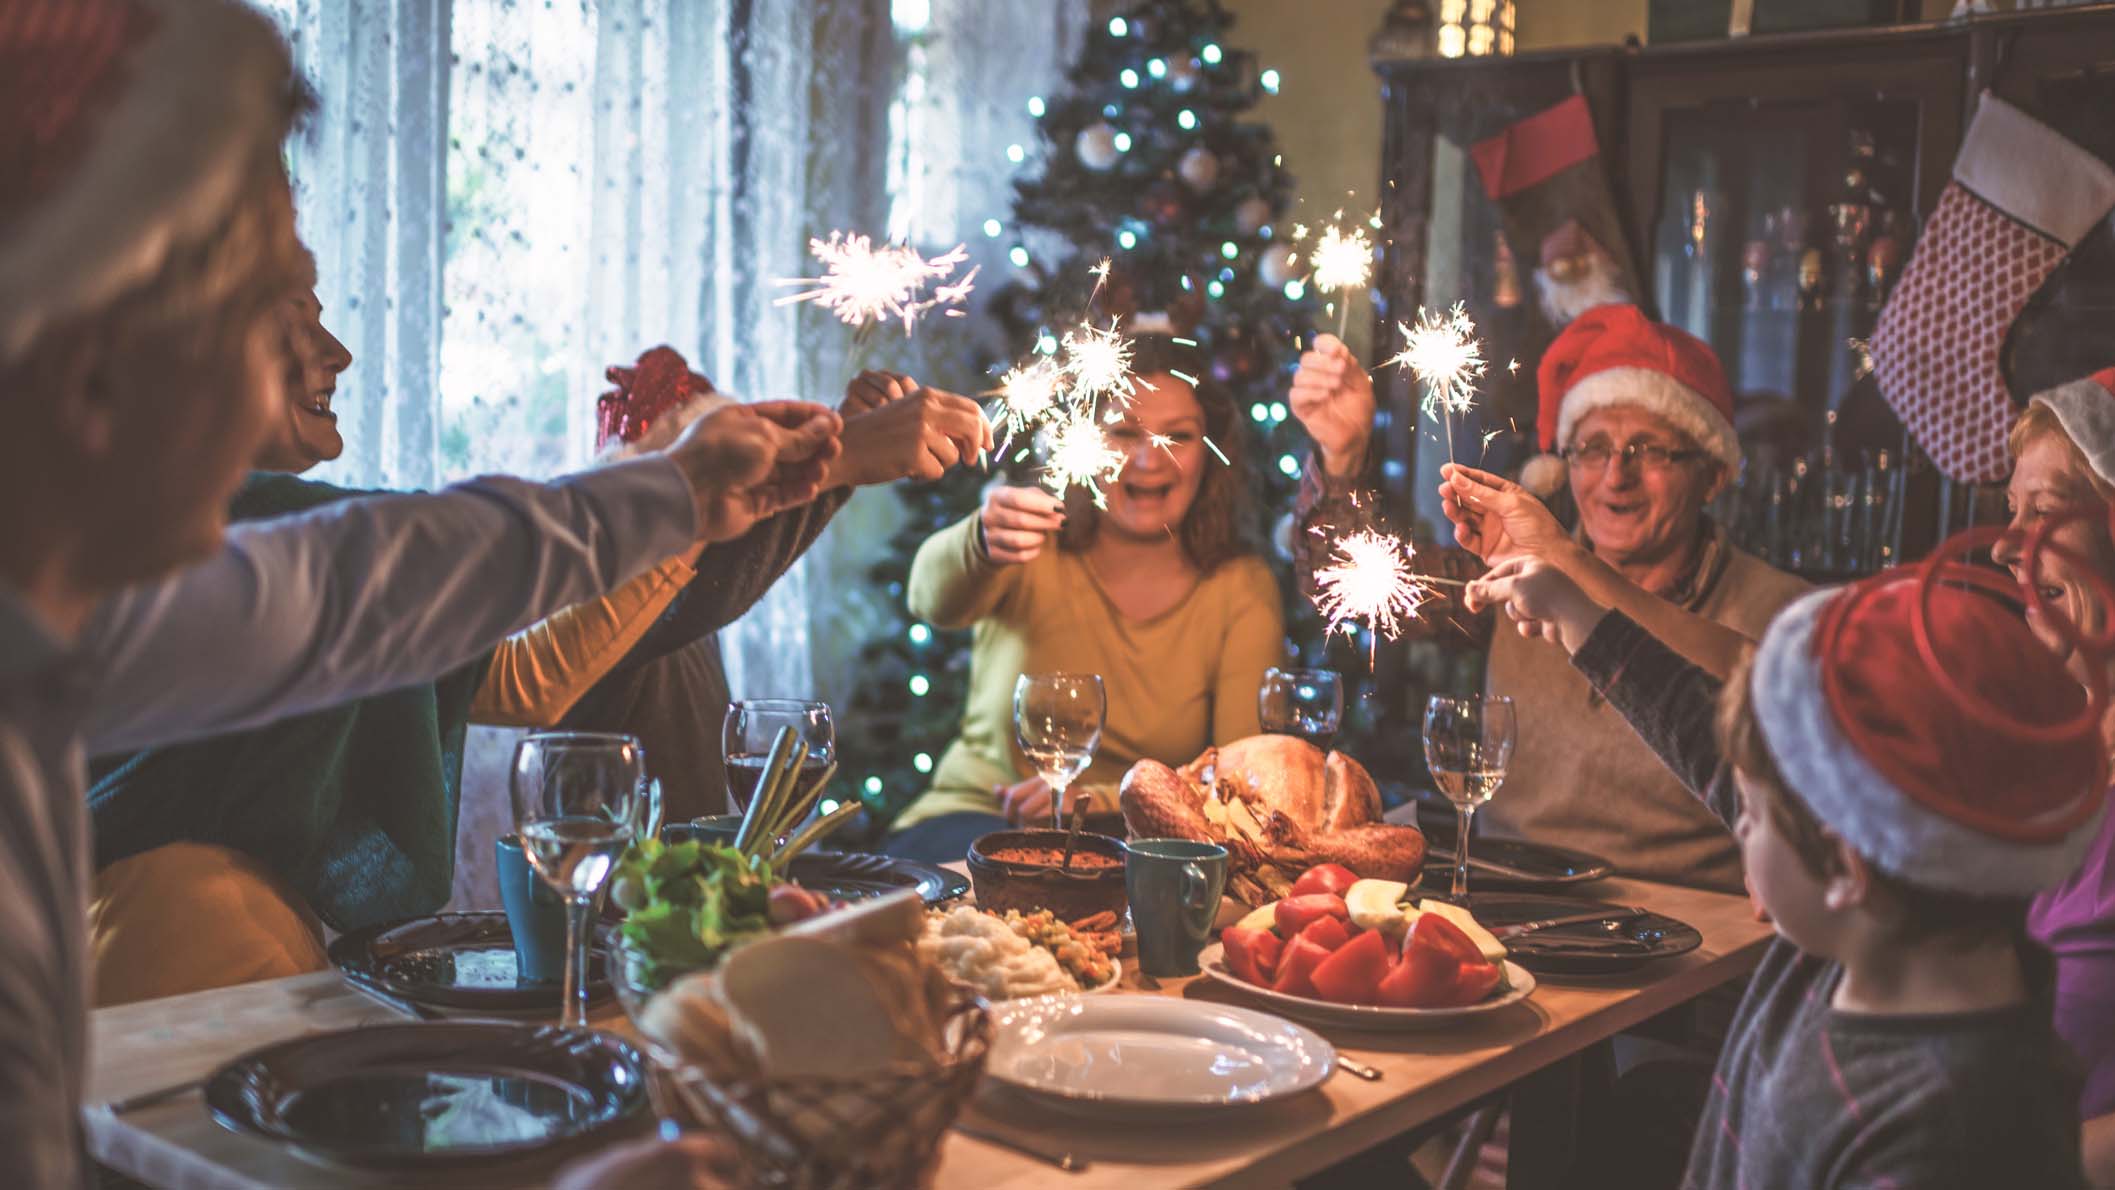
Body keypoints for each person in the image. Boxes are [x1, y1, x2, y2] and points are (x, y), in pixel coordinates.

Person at [0, 3, 839, 1182]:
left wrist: (681, 487)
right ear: (99, 336)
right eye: (265, 308)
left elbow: (364, 583)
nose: (308, 361)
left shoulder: (76, 625)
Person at [84, 292, 987, 1004]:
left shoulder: (215, 522)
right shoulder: (229, 527)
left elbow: (522, 663)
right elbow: (519, 641)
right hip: (178, 966)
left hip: (234, 947)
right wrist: (815, 466)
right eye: (294, 308)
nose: (339, 351)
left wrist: (788, 472)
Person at [1462, 532, 2100, 1188]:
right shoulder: (1869, 934)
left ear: (1844, 865)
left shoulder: (1943, 1138)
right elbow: (1708, 736)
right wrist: (1576, 617)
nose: (1735, 820)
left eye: (1751, 817)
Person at [1290, 304, 1807, 893]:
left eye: (1652, 451)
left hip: (1698, 938)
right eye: (1591, 448)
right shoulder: (1515, 566)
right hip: (1515, 908)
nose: (1616, 476)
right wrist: (1343, 454)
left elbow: (1800, 753)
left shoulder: (1787, 617)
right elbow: (1344, 585)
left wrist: (1568, 565)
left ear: (1713, 474)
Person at [885, 335, 1284, 862]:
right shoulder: (1032, 539)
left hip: (1131, 841)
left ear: (1210, 454)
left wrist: (1099, 799)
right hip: (973, 822)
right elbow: (928, 599)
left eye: (1178, 436)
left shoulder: (1239, 586)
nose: (1149, 458)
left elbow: (1241, 775)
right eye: (1123, 432)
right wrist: (981, 540)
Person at [561, 365, 985, 823]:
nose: (750, 508)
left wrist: (849, 432)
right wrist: (843, 453)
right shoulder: (611, 594)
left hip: (679, 881)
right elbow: (709, 585)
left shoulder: (686, 595)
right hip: (602, 886)